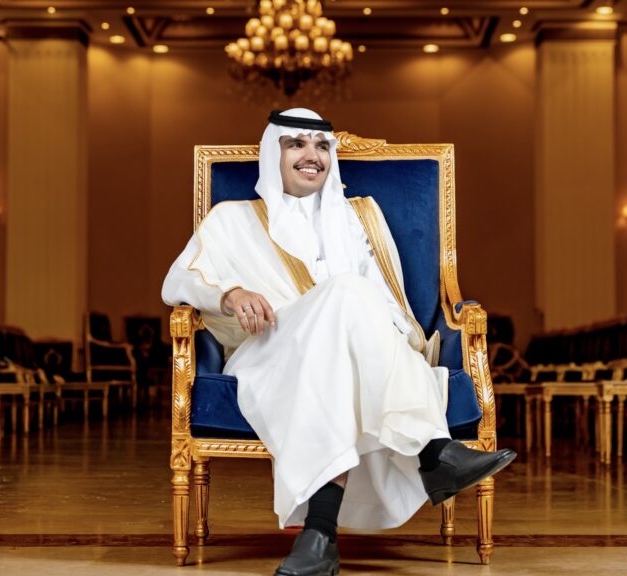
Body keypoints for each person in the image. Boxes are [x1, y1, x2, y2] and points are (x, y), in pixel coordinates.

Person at [162, 108, 515, 576]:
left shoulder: (358, 219)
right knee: (347, 292)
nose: (312, 155)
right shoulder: (233, 219)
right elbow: (178, 281)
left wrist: (380, 347)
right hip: (267, 355)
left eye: (321, 146)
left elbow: (387, 303)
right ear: (273, 154)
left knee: (343, 331)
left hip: (348, 356)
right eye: (296, 144)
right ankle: (433, 452)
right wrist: (230, 294)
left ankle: (319, 536)